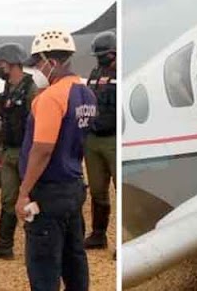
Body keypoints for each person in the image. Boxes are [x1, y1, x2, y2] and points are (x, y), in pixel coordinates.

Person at [16, 29, 96, 291]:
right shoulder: (87, 94)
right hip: (73, 187)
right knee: (74, 260)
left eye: (38, 63)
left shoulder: (51, 97)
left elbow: (42, 149)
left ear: (51, 62)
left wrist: (23, 192)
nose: (36, 69)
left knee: (44, 268)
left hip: (48, 193)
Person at [0, 43, 38, 260]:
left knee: (30, 199)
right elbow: (6, 124)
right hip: (9, 151)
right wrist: (1, 151)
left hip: (26, 152)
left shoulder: (31, 91)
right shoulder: (8, 90)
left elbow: (37, 126)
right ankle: (4, 245)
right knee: (7, 199)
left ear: (13, 63)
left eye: (1, 63)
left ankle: (36, 245)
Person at [83, 31, 117, 251]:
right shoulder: (94, 74)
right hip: (93, 138)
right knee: (97, 190)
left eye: (103, 54)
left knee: (121, 189)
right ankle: (98, 234)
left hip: (113, 138)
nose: (99, 58)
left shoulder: (122, 74)